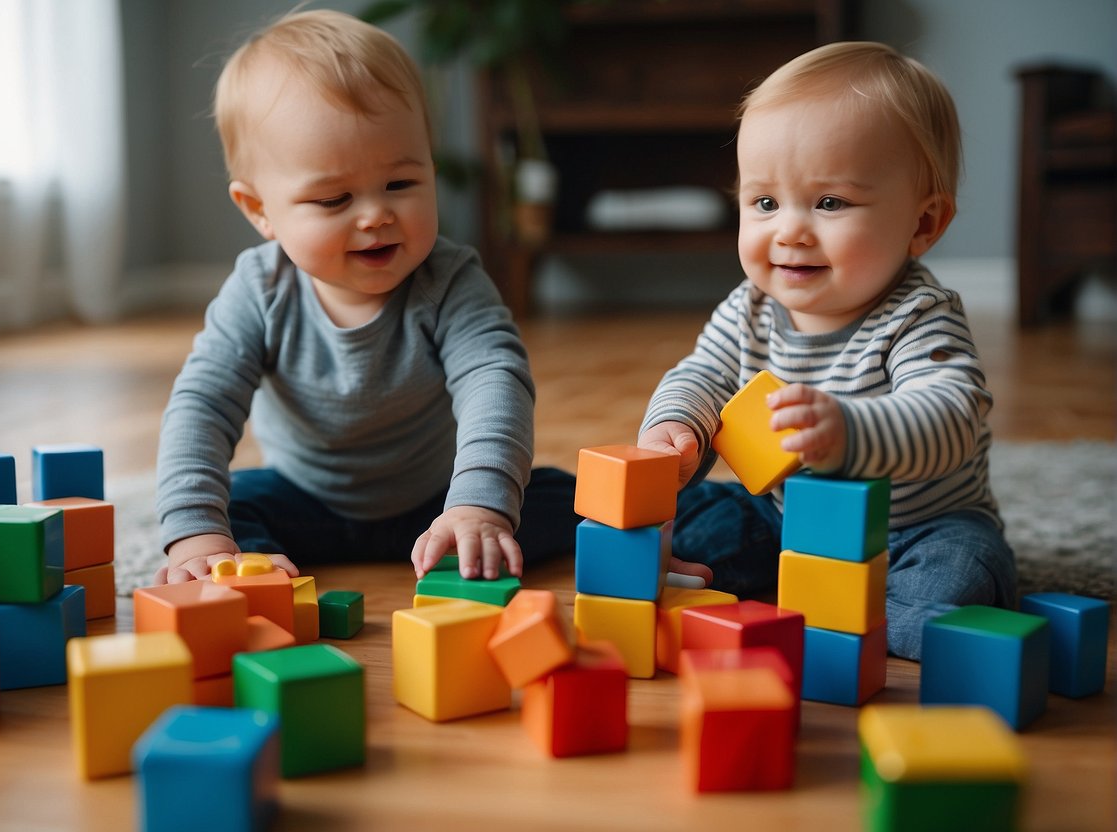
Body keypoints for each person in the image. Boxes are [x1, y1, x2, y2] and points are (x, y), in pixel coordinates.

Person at [154, 9, 577, 586]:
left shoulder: (448, 280)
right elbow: (202, 404)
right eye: (334, 200)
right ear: (260, 211)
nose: (376, 215)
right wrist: (197, 535)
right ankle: (245, 564)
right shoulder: (259, 290)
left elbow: (495, 379)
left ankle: (696, 522)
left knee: (577, 499)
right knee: (231, 509)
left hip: (440, 506)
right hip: (304, 501)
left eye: (401, 184)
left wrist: (479, 505)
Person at [637, 41, 1016, 660]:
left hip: (916, 529)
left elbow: (952, 416)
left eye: (830, 202)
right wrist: (675, 427)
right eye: (764, 202)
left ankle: (857, 613)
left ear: (923, 224)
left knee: (956, 576)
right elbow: (703, 374)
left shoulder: (919, 315)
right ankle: (776, 591)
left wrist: (848, 431)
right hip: (792, 521)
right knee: (696, 519)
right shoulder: (750, 306)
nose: (788, 230)